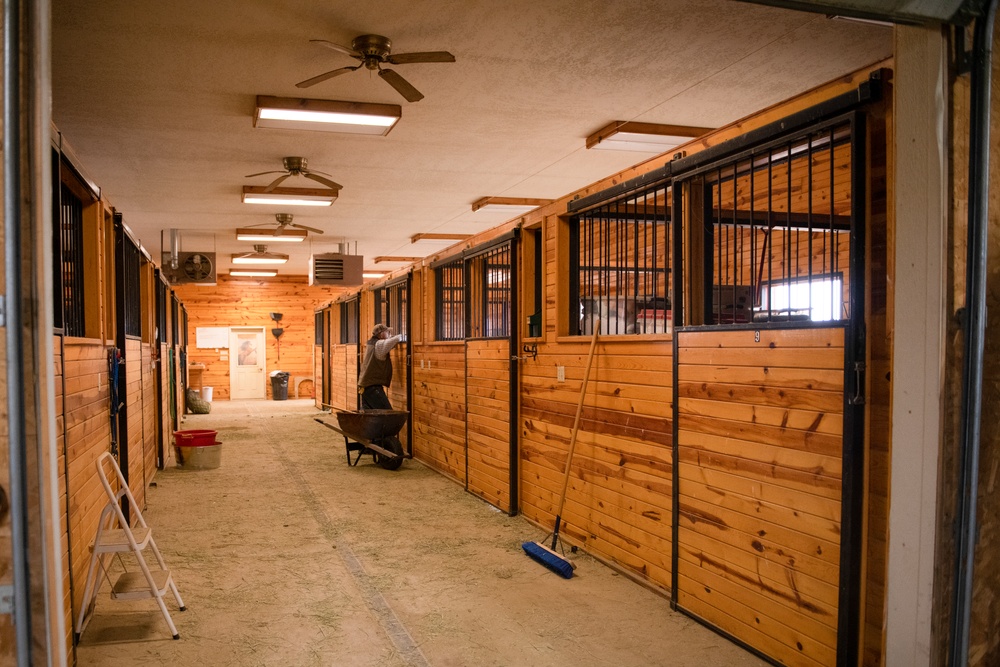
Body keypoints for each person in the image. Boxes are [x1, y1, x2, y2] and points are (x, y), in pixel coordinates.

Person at [357, 323, 406, 410]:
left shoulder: (371, 344)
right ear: (382, 334)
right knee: (388, 414)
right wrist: (404, 335)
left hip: (365, 386)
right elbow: (398, 338)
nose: (389, 334)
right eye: (387, 332)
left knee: (369, 416)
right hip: (372, 386)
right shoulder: (379, 345)